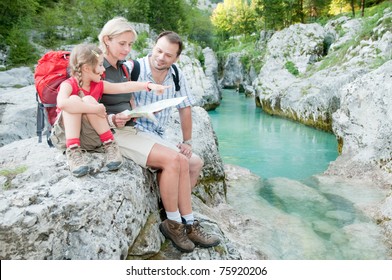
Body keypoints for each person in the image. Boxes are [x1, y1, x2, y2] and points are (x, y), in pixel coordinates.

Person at [98, 17, 219, 252]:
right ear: (107, 40)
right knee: (177, 160)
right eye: (123, 43)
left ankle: (188, 222)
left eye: (130, 44)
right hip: (121, 132)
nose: (127, 49)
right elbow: (89, 103)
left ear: (176, 58)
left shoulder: (121, 67)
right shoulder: (113, 66)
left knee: (186, 161)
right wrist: (115, 117)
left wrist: (187, 140)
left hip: (134, 128)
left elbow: (123, 95)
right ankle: (174, 222)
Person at [51, 43, 167, 177]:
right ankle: (73, 152)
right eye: (100, 65)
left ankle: (109, 145)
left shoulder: (98, 85)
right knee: (74, 101)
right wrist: (95, 108)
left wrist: (149, 85)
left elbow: (123, 87)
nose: (103, 69)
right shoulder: (68, 84)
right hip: (67, 135)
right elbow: (62, 103)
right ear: (87, 68)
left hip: (90, 137)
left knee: (88, 99)